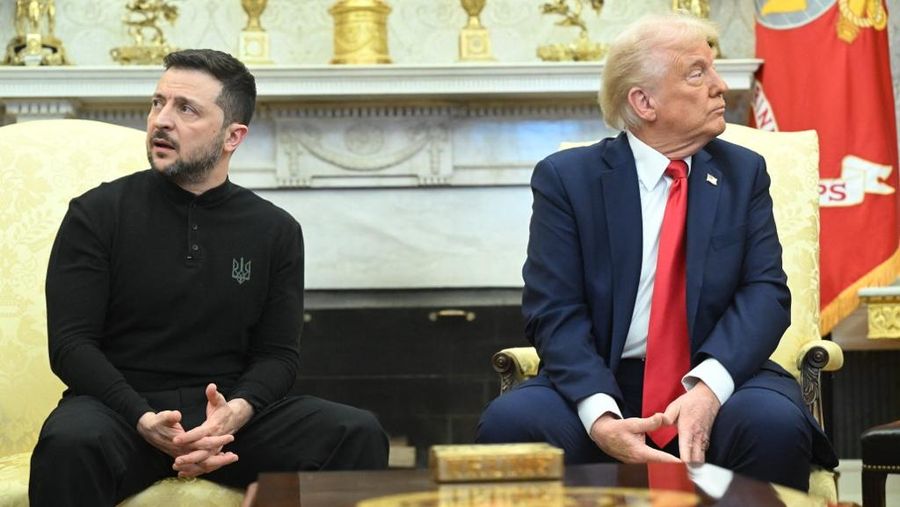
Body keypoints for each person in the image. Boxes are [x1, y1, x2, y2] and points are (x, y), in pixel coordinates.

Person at [476, 13, 837, 491]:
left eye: (714, 68)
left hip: (722, 375)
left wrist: (708, 390)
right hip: (605, 376)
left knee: (770, 424)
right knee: (514, 424)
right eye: (697, 72)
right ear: (644, 102)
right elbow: (553, 311)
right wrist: (600, 414)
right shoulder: (568, 179)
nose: (720, 85)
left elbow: (765, 295)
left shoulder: (743, 172)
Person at [29, 49, 389, 506]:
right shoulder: (96, 214)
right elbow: (71, 345)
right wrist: (141, 416)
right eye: (158, 103)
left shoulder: (274, 229)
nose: (161, 120)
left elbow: (278, 355)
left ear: (232, 136)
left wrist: (235, 414)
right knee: (69, 443)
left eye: (186, 109)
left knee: (355, 432)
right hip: (119, 414)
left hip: (228, 421)